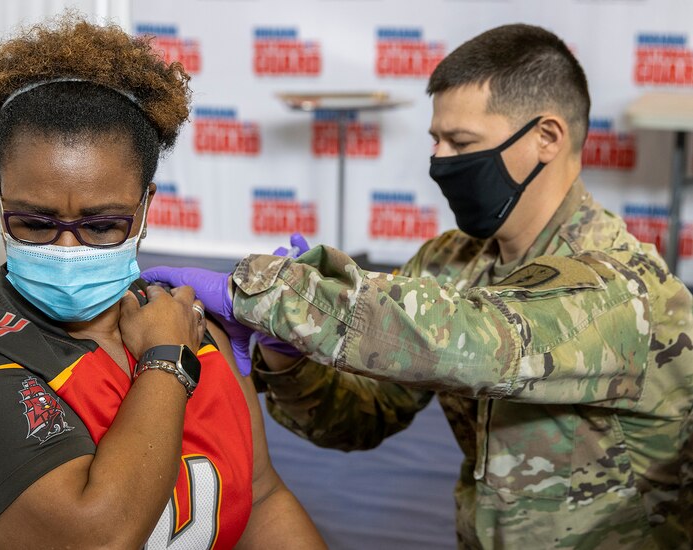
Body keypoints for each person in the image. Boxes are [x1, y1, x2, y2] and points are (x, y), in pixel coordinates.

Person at [143, 24, 693, 548]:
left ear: (547, 137)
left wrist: (271, 292)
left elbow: (477, 341)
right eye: (436, 140)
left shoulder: (622, 287)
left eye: (461, 141)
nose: (439, 162)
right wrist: (291, 357)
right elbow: (362, 417)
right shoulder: (450, 262)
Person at [0, 15, 325, 550]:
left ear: (144, 209)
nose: (66, 248)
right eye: (34, 222)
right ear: (2, 204)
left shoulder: (191, 323)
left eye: (100, 225)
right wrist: (166, 361)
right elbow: (94, 539)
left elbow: (261, 499)